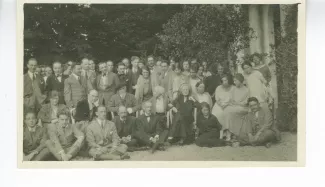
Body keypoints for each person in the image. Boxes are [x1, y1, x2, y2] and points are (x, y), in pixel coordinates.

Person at [223, 73, 249, 139]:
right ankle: (229, 132)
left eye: (235, 81)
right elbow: (231, 100)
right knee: (227, 110)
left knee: (231, 111)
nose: (234, 82)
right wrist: (234, 103)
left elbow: (245, 103)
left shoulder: (246, 90)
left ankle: (231, 132)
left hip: (243, 108)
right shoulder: (233, 89)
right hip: (234, 106)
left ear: (240, 80)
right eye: (234, 81)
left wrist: (237, 103)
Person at [211, 74, 235, 141]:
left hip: (230, 104)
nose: (224, 82)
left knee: (228, 114)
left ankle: (228, 133)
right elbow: (217, 99)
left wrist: (227, 105)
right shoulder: (218, 88)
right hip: (219, 104)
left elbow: (234, 99)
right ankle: (220, 133)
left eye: (226, 80)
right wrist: (221, 105)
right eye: (223, 80)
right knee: (217, 113)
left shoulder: (233, 88)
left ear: (229, 80)